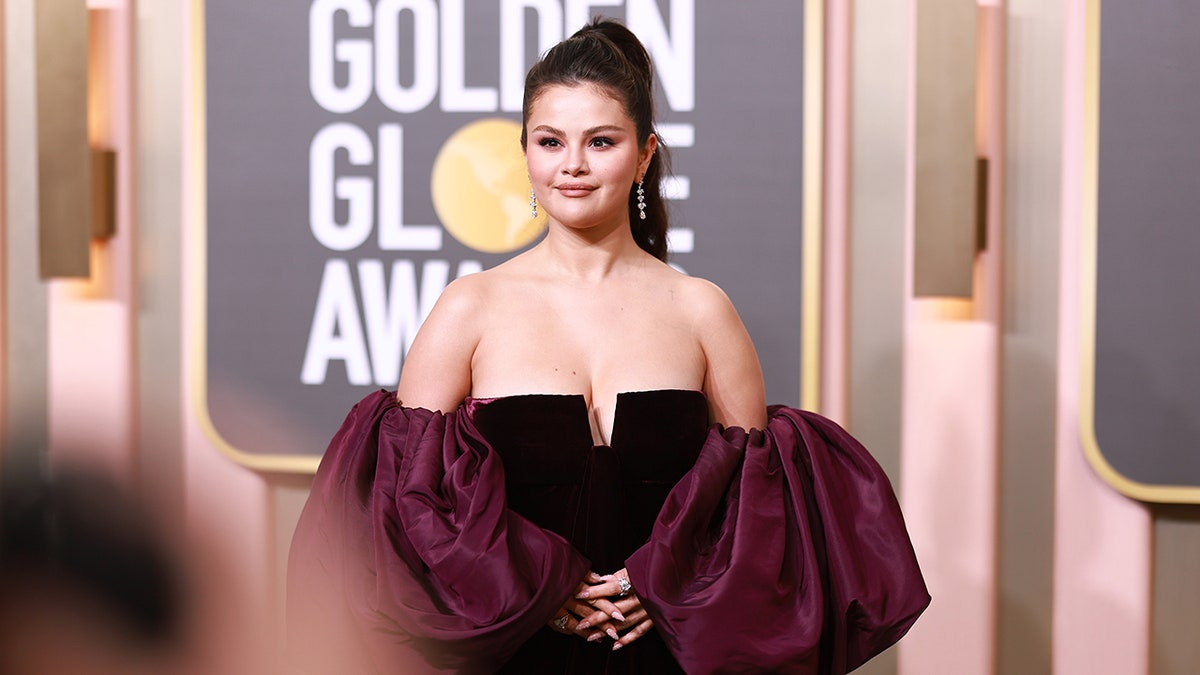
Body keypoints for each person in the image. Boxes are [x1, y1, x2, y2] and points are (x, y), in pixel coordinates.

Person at [287, 18, 929, 675]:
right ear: (526, 152)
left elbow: (753, 518)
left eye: (601, 141)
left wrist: (663, 584)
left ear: (645, 153)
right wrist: (534, 586)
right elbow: (412, 515)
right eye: (549, 141)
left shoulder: (701, 309)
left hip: (666, 657)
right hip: (512, 655)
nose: (572, 164)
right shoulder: (468, 309)